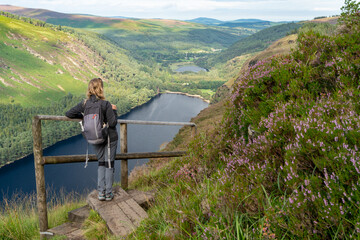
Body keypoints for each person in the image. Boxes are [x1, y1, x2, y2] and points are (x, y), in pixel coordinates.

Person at [66, 78, 118, 201]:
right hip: (109, 137)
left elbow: (68, 114)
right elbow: (113, 123)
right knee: (109, 164)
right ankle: (108, 193)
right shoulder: (106, 104)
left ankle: (101, 192)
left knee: (101, 162)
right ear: (101, 88)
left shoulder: (85, 104)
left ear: (89, 89)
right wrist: (114, 111)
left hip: (94, 137)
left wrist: (83, 117)